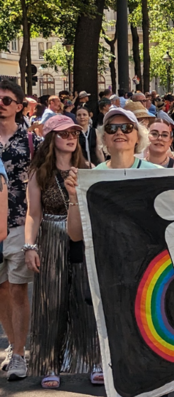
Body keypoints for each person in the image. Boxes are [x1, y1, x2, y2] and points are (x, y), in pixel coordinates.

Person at [23, 115, 101, 388]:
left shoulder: (87, 168)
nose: (71, 138)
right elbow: (33, 214)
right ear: (50, 138)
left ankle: (94, 360)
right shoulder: (39, 172)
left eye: (74, 133)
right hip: (50, 237)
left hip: (82, 239)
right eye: (64, 133)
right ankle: (49, 364)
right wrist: (30, 246)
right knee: (51, 301)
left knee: (86, 299)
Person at [0, 79, 39, 381]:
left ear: (18, 106)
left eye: (5, 100)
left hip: (18, 223)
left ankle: (19, 354)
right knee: (1, 288)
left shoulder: (31, 142)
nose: (0, 105)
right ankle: (12, 344)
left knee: (17, 288)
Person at [92, 108, 161, 171]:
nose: (119, 132)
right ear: (104, 138)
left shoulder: (155, 173)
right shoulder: (94, 175)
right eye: (111, 128)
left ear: (138, 137)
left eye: (127, 127)